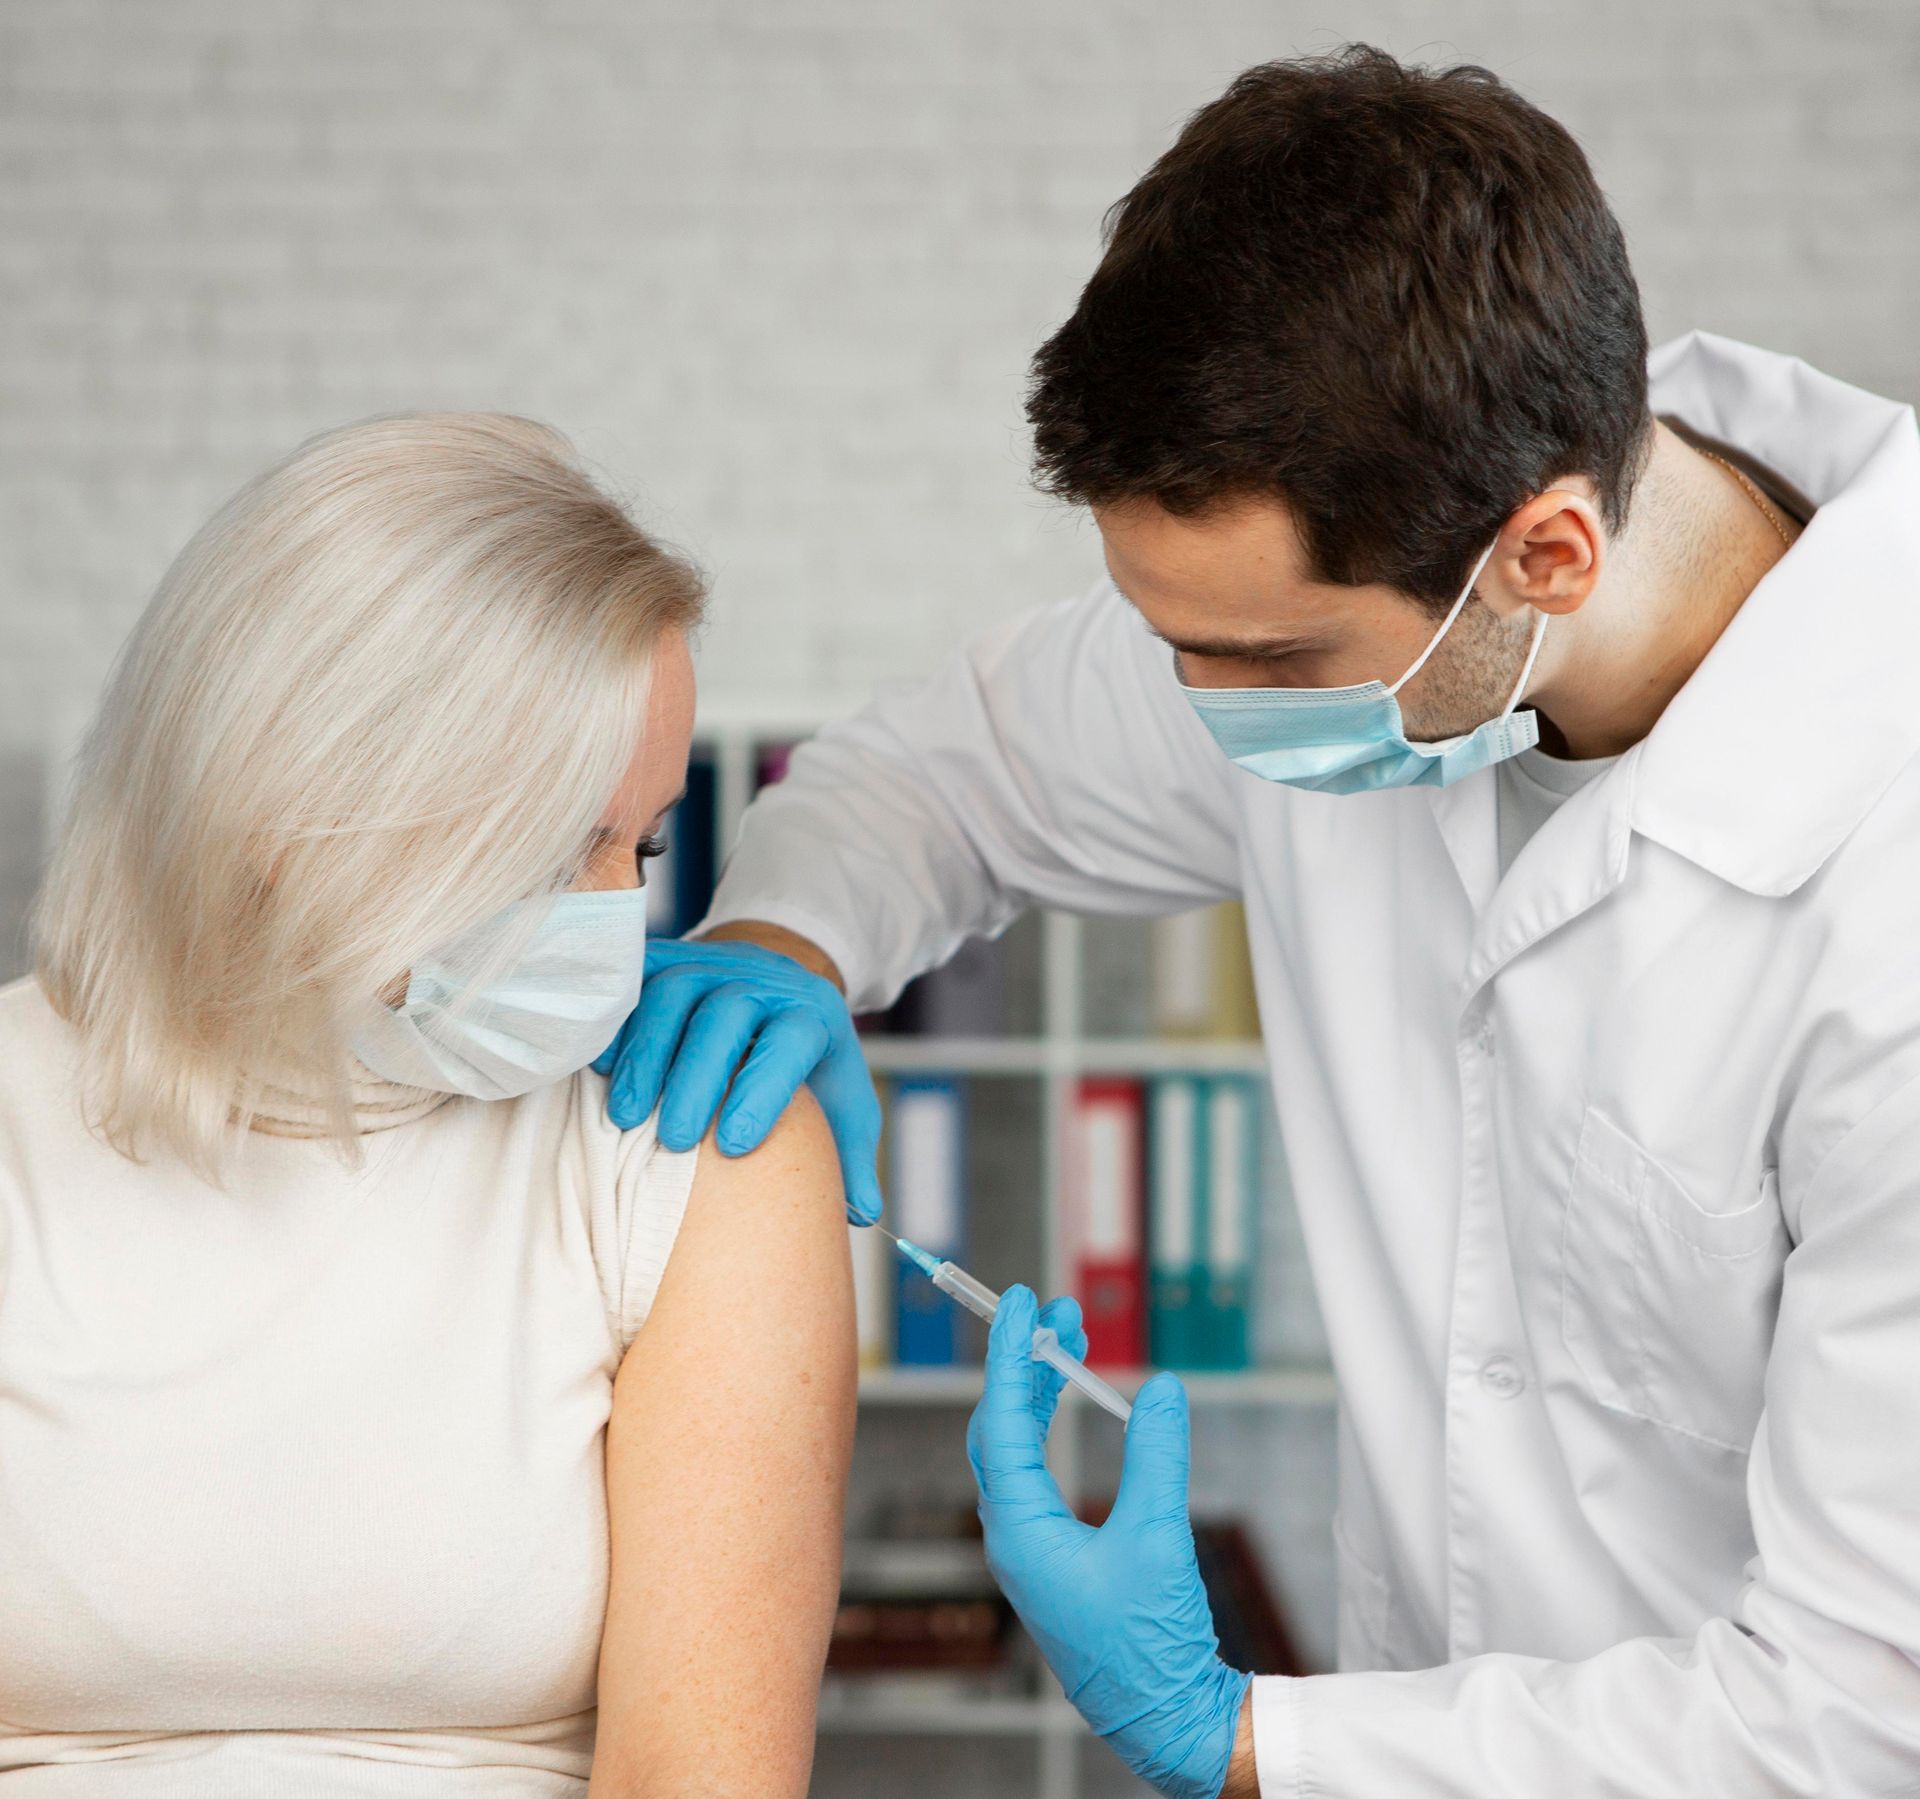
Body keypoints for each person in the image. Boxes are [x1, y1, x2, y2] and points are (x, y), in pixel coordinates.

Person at [595, 44, 1920, 1799]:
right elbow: (939, 771)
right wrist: (785, 940)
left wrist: (1234, 1737)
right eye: (1172, 646)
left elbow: (1855, 1710)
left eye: (1273, 662)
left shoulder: (1877, 890)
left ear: (1546, 558)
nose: (1212, 714)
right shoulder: (1378, 598)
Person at [0, 414, 855, 1797]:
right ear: (284, 809)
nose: (619, 924)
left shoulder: (689, 1153)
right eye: (551, 841)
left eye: (637, 845)